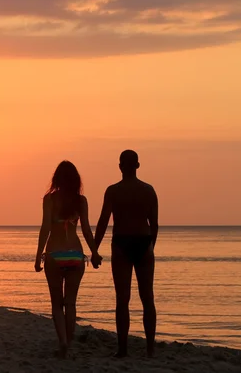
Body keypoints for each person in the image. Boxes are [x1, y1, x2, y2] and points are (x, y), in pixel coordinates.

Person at [34, 160, 102, 358]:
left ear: (56, 179)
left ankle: (62, 342)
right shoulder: (81, 201)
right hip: (75, 255)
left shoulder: (50, 199)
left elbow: (45, 228)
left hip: (54, 255)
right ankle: (70, 343)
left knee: (57, 304)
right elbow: (87, 230)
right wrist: (95, 252)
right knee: (70, 303)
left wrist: (38, 256)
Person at [94, 150, 159, 357]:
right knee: (147, 297)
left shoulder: (113, 191)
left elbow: (104, 221)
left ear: (121, 166)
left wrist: (94, 249)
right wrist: (151, 247)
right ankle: (150, 349)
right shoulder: (148, 190)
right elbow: (154, 224)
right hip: (143, 241)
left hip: (122, 243)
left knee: (123, 299)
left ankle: (123, 349)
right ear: (137, 166)